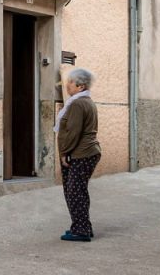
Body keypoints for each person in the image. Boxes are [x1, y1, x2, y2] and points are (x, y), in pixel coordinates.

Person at [54, 67, 101, 242]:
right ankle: (83, 227)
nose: (67, 85)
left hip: (81, 153)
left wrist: (64, 153)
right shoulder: (84, 101)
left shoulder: (77, 104)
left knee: (74, 192)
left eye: (71, 82)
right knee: (78, 191)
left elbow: (73, 132)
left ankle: (80, 230)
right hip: (86, 152)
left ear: (80, 86)